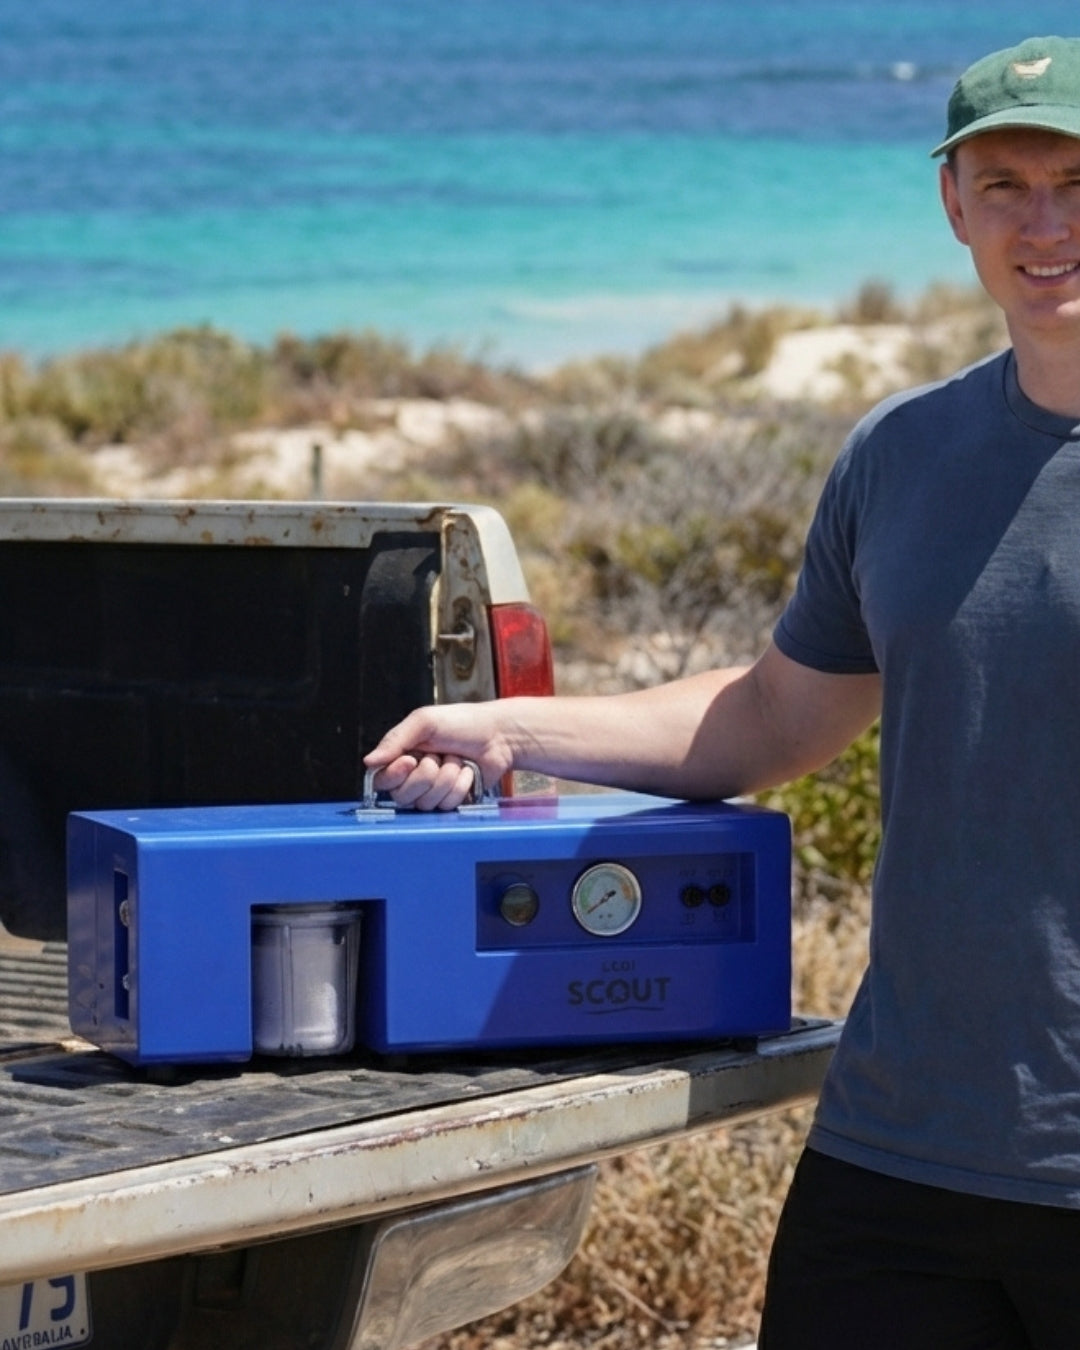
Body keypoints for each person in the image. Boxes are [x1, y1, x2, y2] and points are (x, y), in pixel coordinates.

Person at [365, 35, 1080, 1348]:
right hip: (900, 1157)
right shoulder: (901, 455)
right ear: (952, 206)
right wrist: (507, 727)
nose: (1047, 224)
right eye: (1007, 186)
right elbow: (771, 716)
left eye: (1079, 182)